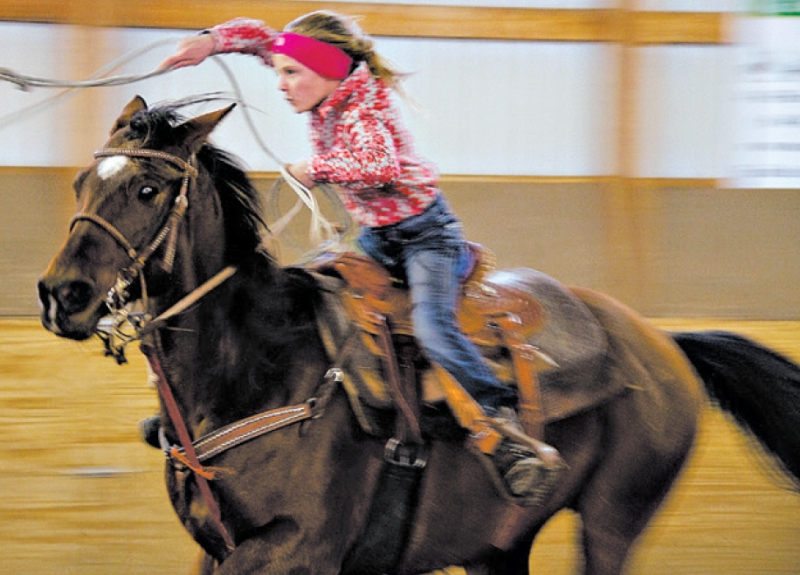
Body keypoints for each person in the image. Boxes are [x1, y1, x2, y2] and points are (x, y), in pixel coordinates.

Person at [158, 10, 560, 503]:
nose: (280, 83)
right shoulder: (323, 81)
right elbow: (264, 39)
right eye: (280, 72)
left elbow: (378, 163)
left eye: (291, 73)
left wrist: (317, 166)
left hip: (424, 238)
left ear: (327, 70)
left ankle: (498, 413)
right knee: (303, 290)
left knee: (433, 325)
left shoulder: (362, 109)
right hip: (375, 236)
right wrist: (212, 41)